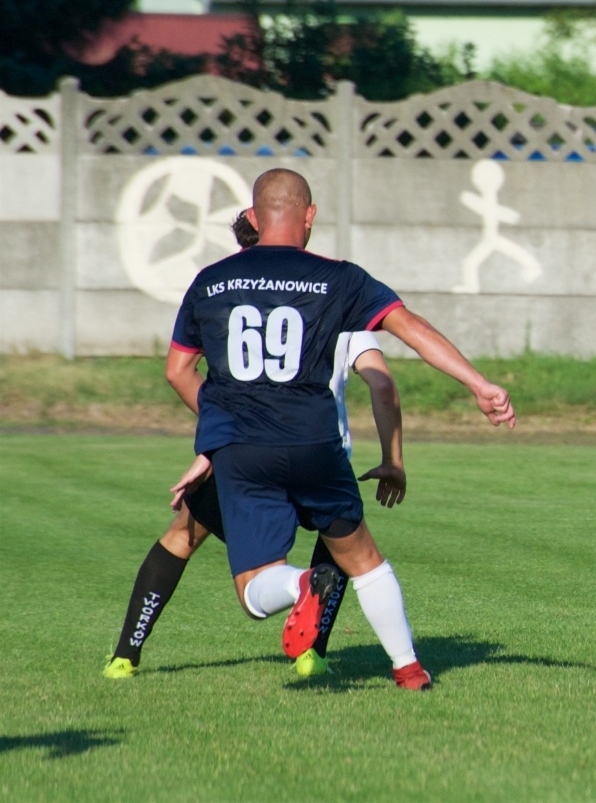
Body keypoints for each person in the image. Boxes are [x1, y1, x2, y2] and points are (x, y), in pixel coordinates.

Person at [160, 168, 515, 690]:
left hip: (242, 450)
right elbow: (411, 328)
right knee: (364, 559)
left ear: (254, 219)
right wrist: (479, 384)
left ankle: (303, 582)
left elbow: (177, 370)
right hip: (315, 442)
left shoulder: (211, 281)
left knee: (254, 590)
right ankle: (409, 670)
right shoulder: (340, 277)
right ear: (310, 216)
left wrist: (222, 427)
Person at [104, 212, 408, 681]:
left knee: (183, 535)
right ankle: (315, 654)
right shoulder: (334, 300)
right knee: (343, 548)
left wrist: (212, 447)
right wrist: (393, 459)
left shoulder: (227, 296)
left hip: (246, 454)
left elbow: (210, 383)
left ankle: (126, 653)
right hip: (321, 453)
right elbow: (382, 386)